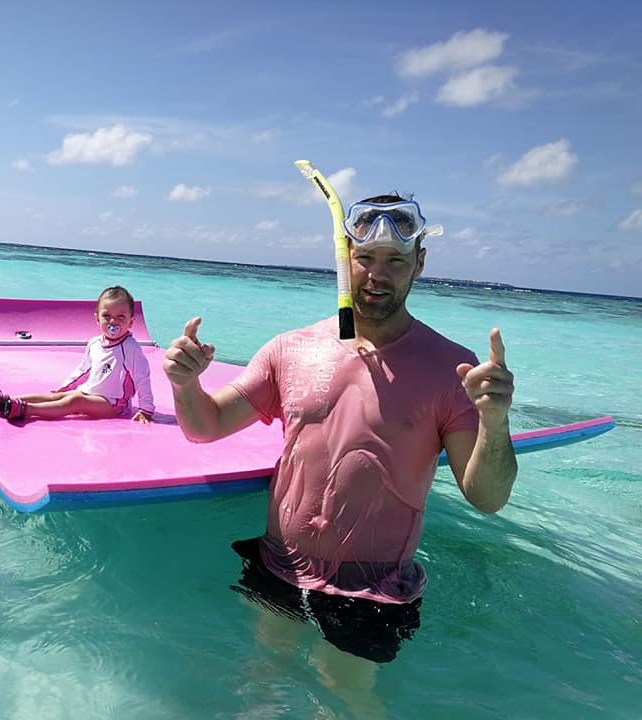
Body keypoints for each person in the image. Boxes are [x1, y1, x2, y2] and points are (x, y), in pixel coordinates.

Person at [163, 194, 517, 663]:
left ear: (420, 264)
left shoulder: (450, 369)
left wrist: (495, 421)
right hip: (278, 566)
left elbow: (487, 498)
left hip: (375, 592)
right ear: (343, 259)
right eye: (365, 258)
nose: (377, 273)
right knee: (261, 687)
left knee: (349, 705)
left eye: (395, 260)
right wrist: (185, 384)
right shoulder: (289, 348)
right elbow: (205, 427)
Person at [0, 286, 155, 423]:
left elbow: (142, 377)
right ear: (97, 319)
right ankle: (8, 401)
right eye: (107, 316)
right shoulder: (95, 344)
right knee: (60, 396)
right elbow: (83, 370)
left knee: (75, 402)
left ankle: (23, 410)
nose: (113, 322)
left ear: (131, 321)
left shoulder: (130, 347)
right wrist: (66, 386)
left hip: (115, 404)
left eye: (120, 317)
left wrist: (145, 409)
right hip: (91, 393)